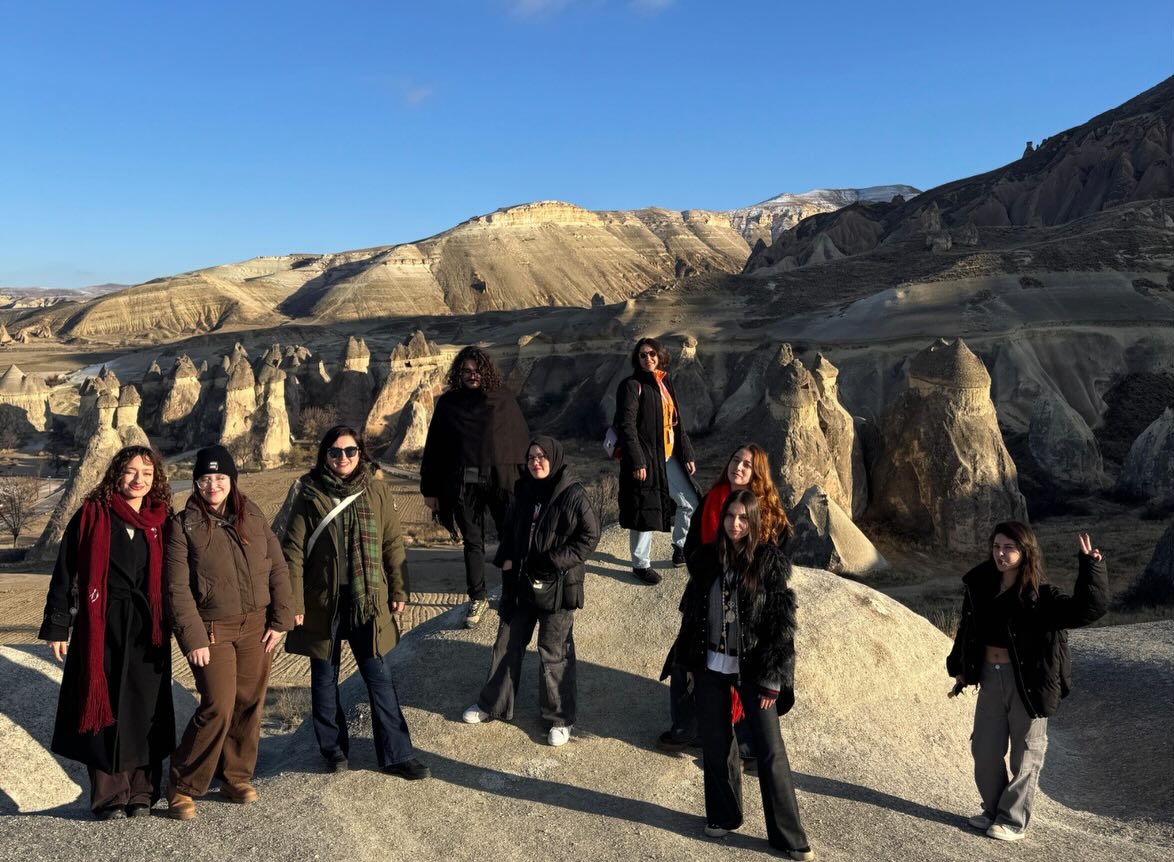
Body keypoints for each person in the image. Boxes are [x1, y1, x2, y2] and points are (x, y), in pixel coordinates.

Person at [666, 490, 813, 861]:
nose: (735, 524)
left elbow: (781, 625)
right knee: (717, 746)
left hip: (754, 670)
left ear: (754, 522)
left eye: (743, 518)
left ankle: (788, 836)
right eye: (730, 516)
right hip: (710, 668)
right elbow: (692, 617)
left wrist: (774, 679)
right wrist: (688, 667)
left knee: (770, 751)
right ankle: (723, 815)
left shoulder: (767, 563)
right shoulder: (707, 560)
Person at [283, 426, 430, 779]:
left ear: (360, 453)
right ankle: (333, 752)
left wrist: (399, 590)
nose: (343, 458)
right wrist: (295, 602)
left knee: (379, 677)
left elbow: (392, 543)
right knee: (324, 678)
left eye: (350, 451)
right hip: (323, 601)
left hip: (368, 598)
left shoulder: (376, 491)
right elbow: (293, 552)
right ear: (325, 456)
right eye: (335, 452)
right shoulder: (310, 493)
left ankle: (396, 754)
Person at [947, 522, 1107, 842]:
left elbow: (1088, 609)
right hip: (990, 678)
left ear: (1025, 552)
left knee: (1025, 754)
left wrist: (1092, 567)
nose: (1001, 554)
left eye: (1009, 548)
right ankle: (994, 810)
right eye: (997, 547)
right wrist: (960, 666)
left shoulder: (1040, 596)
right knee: (984, 750)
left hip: (1028, 681)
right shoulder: (980, 586)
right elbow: (968, 628)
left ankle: (1013, 819)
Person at [38, 445, 174, 820]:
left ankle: (143, 791)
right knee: (103, 705)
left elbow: (180, 575)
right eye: (130, 471)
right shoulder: (91, 515)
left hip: (148, 628)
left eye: (147, 473)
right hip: (101, 626)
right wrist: (58, 626)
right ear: (116, 474)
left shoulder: (162, 519)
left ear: (156, 479)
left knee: (146, 709)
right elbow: (65, 573)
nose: (138, 480)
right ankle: (110, 795)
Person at [164, 446, 294, 820]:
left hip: (256, 626)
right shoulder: (183, 526)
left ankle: (235, 777)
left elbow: (277, 566)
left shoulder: (252, 514)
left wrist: (281, 619)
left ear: (232, 480)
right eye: (205, 479)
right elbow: (177, 589)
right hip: (212, 630)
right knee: (217, 705)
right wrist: (193, 638)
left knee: (248, 702)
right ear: (196, 483)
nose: (213, 485)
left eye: (220, 478)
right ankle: (182, 784)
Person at [461, 436, 600, 746]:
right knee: (506, 643)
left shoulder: (573, 493)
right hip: (522, 583)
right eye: (531, 457)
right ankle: (492, 705)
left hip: (558, 586)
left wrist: (553, 561)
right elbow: (511, 528)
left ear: (554, 457)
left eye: (541, 456)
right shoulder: (524, 488)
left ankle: (560, 719)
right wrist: (507, 557)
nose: (536, 462)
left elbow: (590, 535)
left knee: (554, 651)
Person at [659, 443, 791, 756]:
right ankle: (687, 728)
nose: (738, 467)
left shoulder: (770, 511)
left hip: (751, 607)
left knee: (750, 671)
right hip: (710, 597)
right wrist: (711, 569)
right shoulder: (712, 500)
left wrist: (749, 577)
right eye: (735, 460)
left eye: (747, 464)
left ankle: (745, 743)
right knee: (685, 660)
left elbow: (779, 560)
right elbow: (692, 547)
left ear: (758, 472)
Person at [420, 346, 529, 627]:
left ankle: (511, 593)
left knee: (509, 537)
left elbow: (518, 441)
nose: (472, 375)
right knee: (472, 540)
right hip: (464, 480)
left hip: (501, 479)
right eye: (466, 371)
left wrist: (527, 482)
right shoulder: (449, 403)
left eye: (477, 370)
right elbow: (435, 447)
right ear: (458, 373)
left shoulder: (502, 399)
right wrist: (430, 489)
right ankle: (477, 597)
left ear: (486, 371)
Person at [615, 337, 700, 584]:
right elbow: (627, 426)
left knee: (690, 501)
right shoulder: (632, 386)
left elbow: (677, 422)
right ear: (637, 359)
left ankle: (680, 547)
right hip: (646, 459)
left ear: (660, 355)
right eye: (642, 355)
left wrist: (687, 453)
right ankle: (640, 565)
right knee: (645, 509)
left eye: (652, 353)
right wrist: (637, 461)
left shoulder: (664, 382)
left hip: (669, 456)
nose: (648, 358)